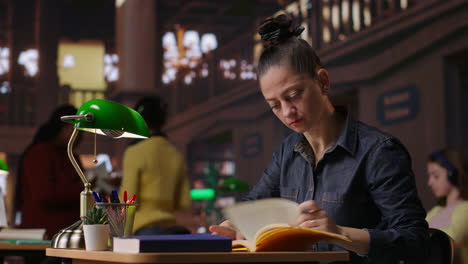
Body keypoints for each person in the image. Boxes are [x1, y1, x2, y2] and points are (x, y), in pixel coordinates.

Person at [209, 14, 428, 263]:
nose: (287, 111)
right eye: (275, 105)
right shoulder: (287, 153)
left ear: (322, 82)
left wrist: (339, 233)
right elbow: (254, 203)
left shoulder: (378, 151)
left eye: (293, 95)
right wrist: (233, 224)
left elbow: (416, 241)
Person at [120, 96, 192, 235]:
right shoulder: (175, 153)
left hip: (142, 229)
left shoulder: (134, 151)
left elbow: (127, 198)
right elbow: (184, 202)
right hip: (170, 230)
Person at [16, 105, 83, 239]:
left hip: (67, 231)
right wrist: (83, 191)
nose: (81, 138)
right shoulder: (40, 153)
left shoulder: (71, 155)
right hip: (44, 232)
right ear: (66, 129)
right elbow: (44, 194)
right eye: (80, 132)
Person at [426, 149, 468, 264]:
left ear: (452, 174)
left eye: (436, 176)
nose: (429, 182)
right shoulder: (435, 211)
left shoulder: (465, 209)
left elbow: (445, 243)